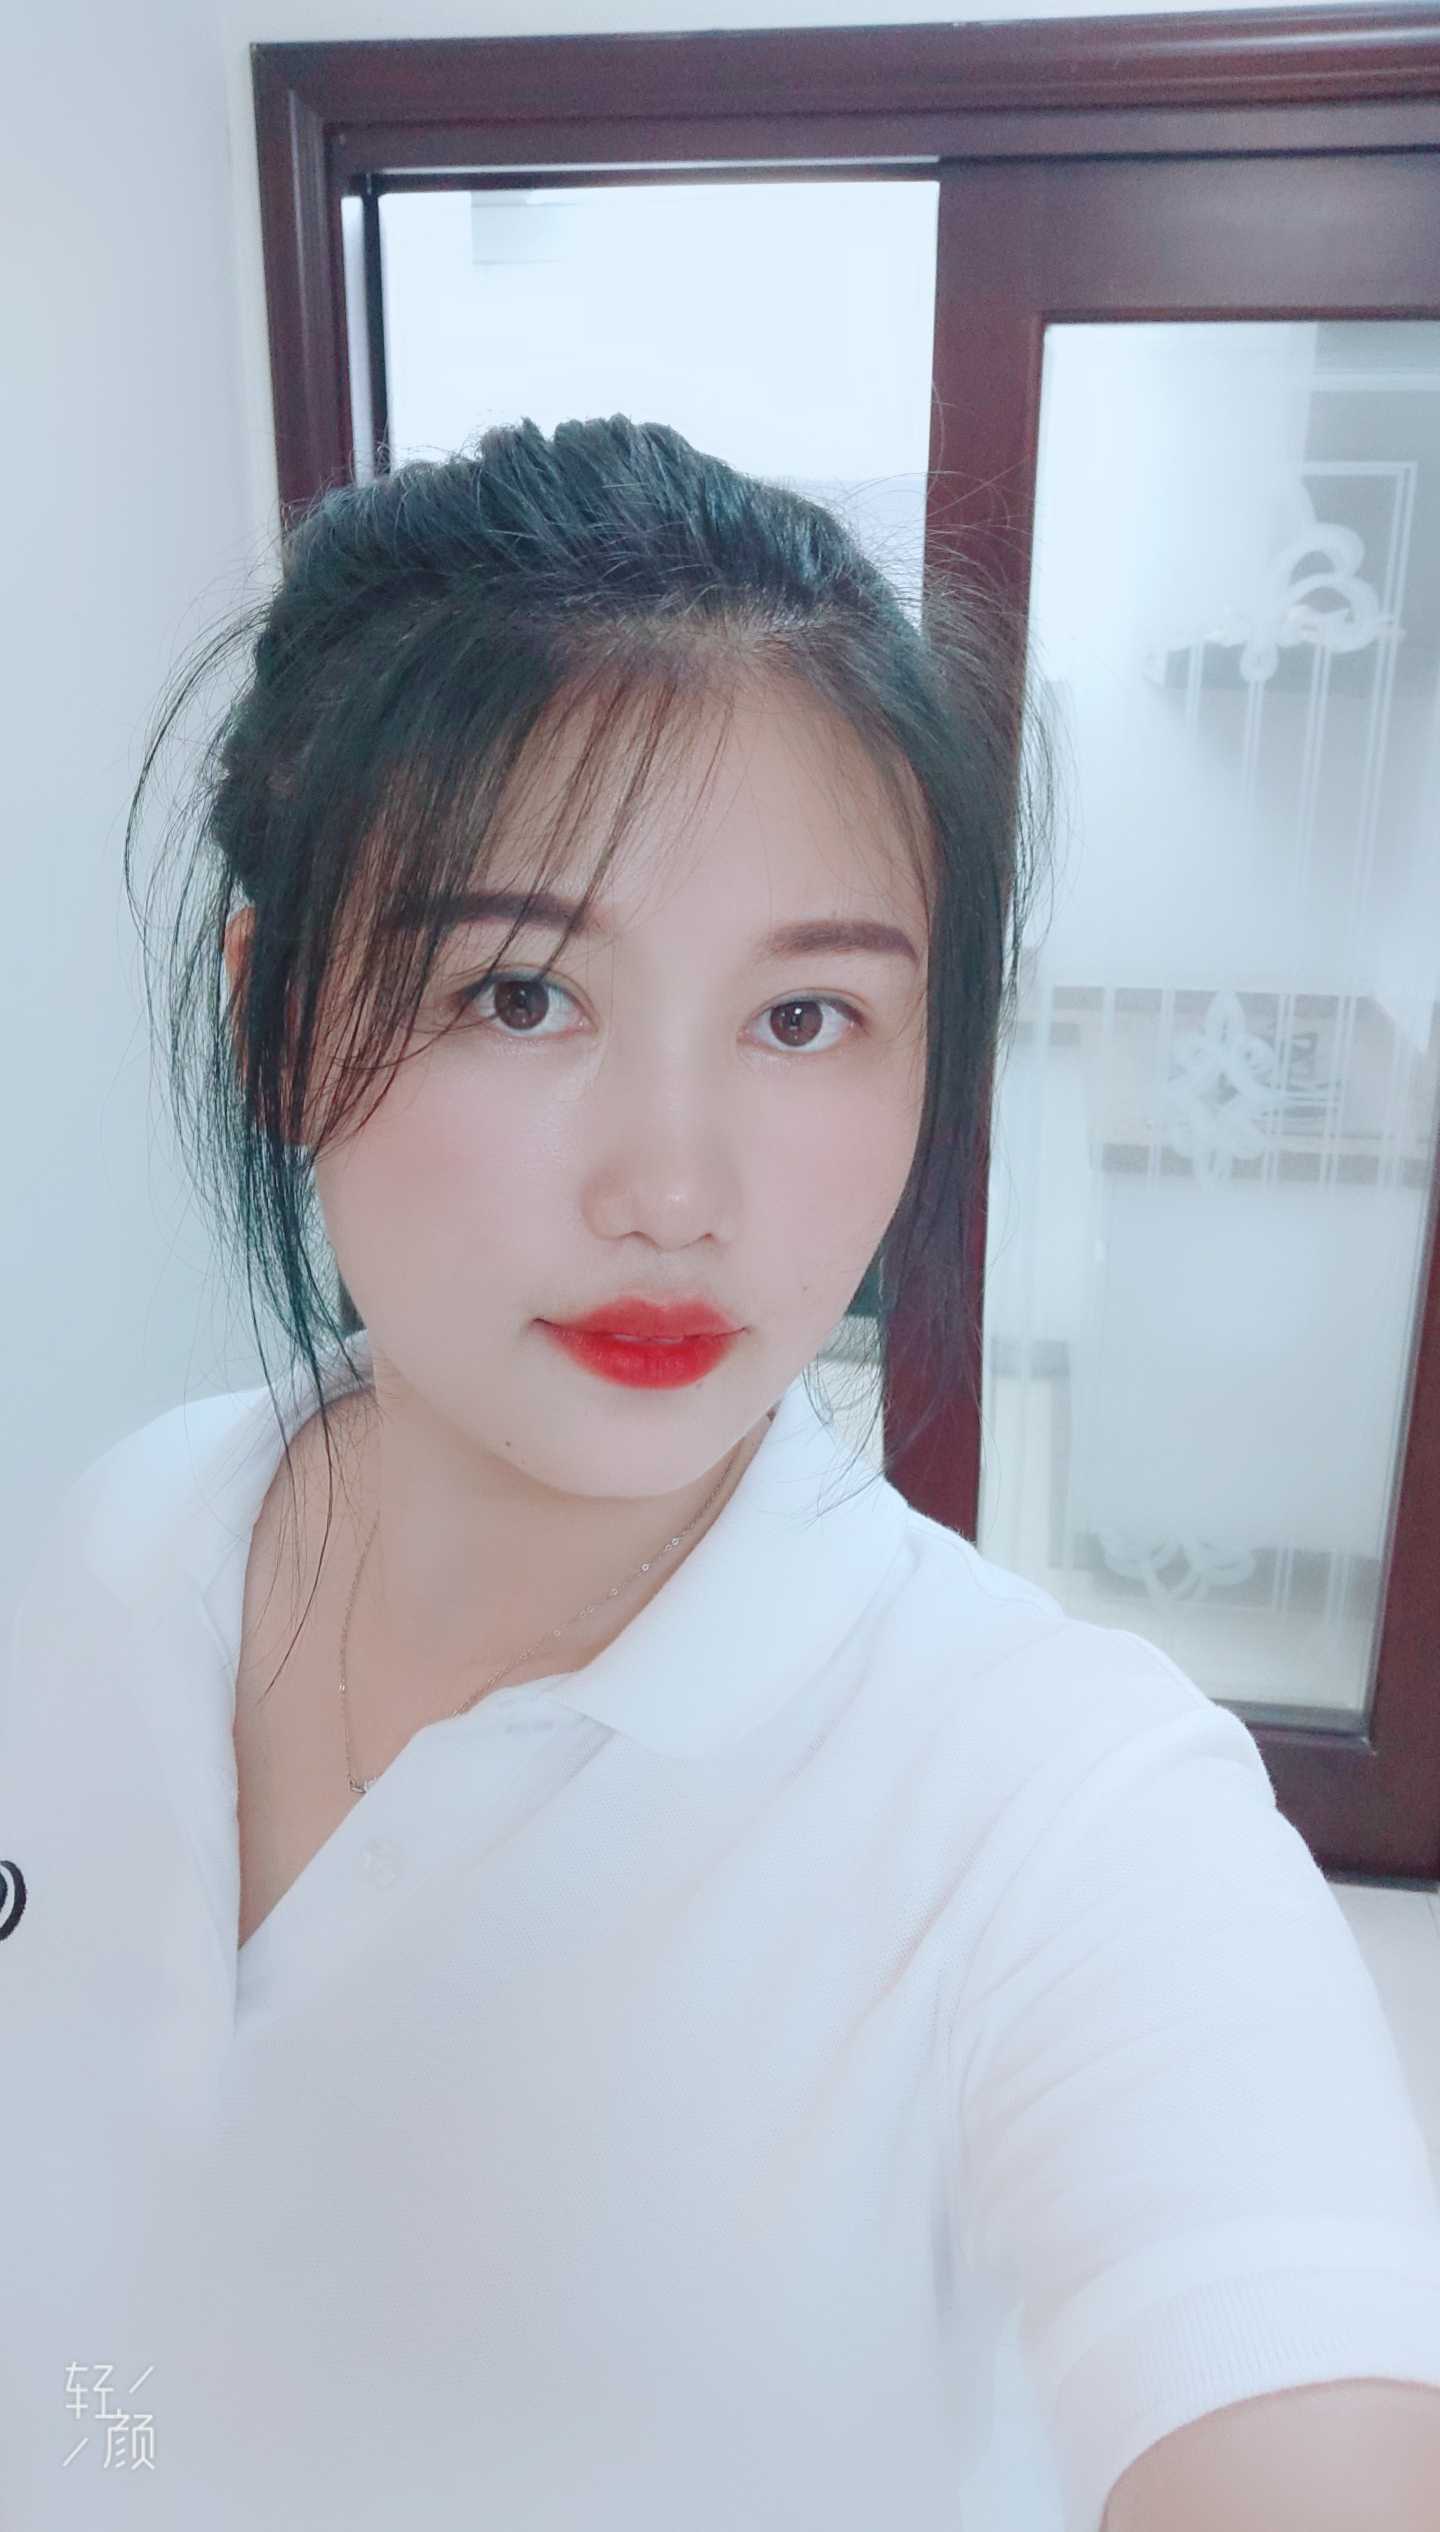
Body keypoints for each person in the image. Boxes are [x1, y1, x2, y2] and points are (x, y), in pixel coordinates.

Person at [3, 415, 1439, 2532]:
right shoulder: (127, 1537)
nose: (677, 1191)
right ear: (274, 1019)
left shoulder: (1066, 1819)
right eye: (522, 994)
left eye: (805, 1019)